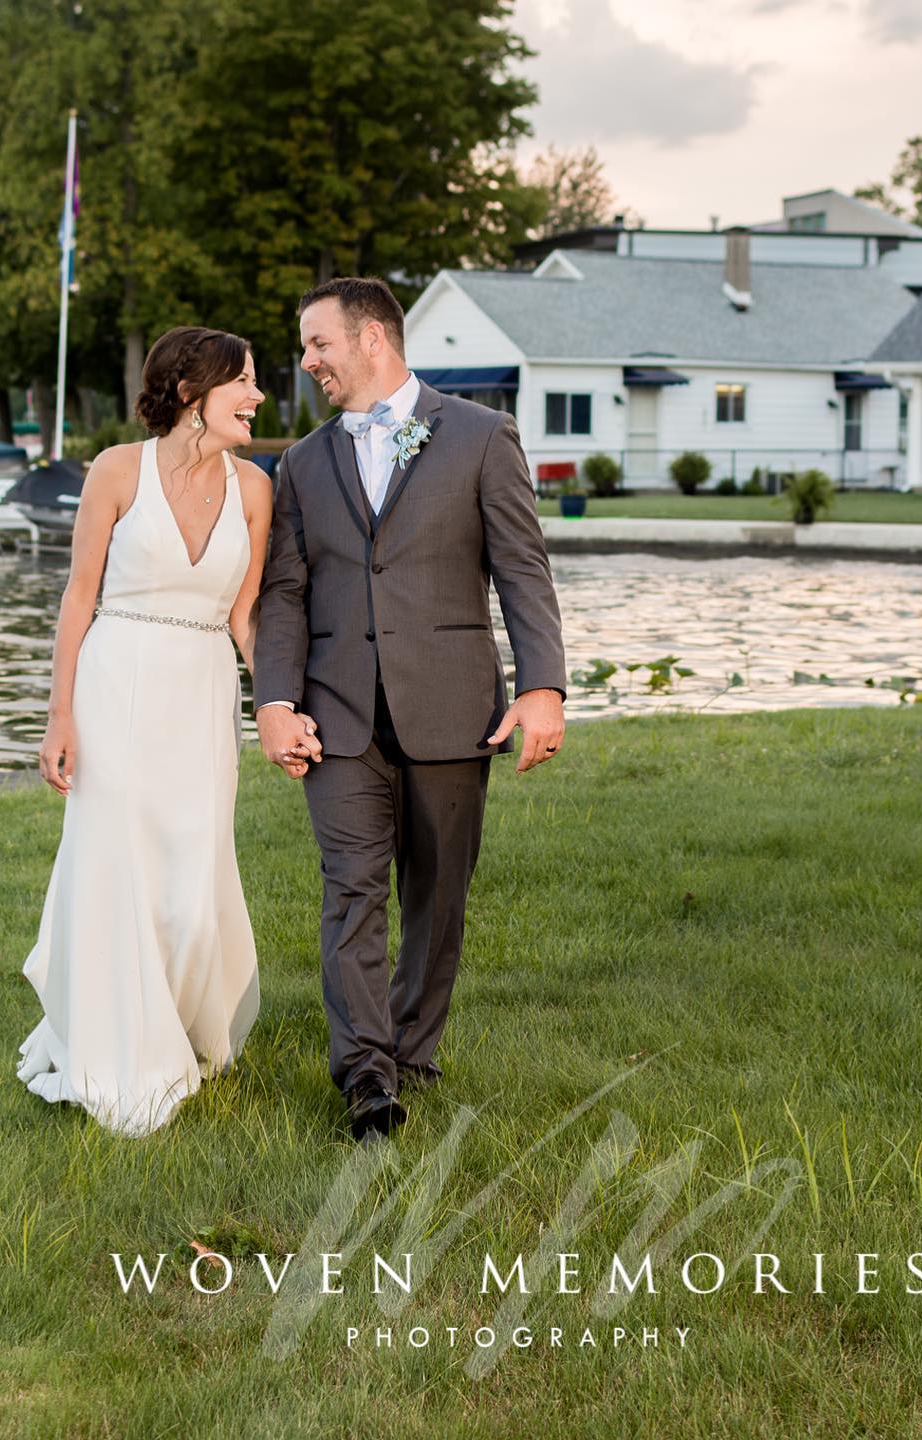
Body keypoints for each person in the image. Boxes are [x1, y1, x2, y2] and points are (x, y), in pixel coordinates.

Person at [254, 276, 567, 1143]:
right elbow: (285, 593)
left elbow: (522, 568)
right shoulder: (302, 463)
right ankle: (366, 1075)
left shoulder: (480, 435)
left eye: (318, 343)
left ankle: (413, 1052)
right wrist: (274, 700)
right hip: (338, 712)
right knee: (351, 890)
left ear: (372, 339)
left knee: (437, 896)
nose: (307, 361)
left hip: (452, 706)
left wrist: (543, 686)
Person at [16, 326, 321, 1136]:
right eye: (243, 382)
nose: (257, 396)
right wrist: (59, 715)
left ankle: (180, 1025)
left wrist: (279, 703)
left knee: (192, 878)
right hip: (116, 687)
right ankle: (121, 1046)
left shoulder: (255, 488)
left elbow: (246, 618)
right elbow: (78, 597)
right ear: (191, 392)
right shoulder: (118, 470)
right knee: (119, 868)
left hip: (202, 695)